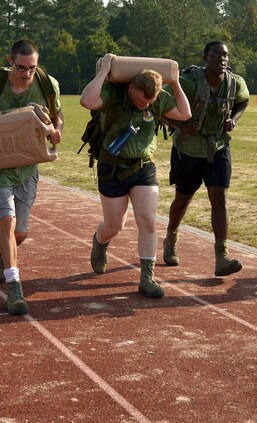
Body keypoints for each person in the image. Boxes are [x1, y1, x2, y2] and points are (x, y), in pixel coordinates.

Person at [0, 39, 63, 315]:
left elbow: (57, 116)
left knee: (20, 232)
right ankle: (14, 286)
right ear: (10, 61)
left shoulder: (46, 84)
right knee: (7, 221)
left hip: (28, 166)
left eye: (32, 67)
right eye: (21, 67)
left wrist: (56, 130)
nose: (27, 73)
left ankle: (4, 259)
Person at [80, 53, 191, 298]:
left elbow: (185, 114)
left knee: (148, 220)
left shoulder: (158, 99)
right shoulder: (114, 95)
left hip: (143, 167)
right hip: (113, 167)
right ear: (131, 88)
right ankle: (100, 242)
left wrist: (174, 82)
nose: (145, 105)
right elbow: (87, 101)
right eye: (141, 100)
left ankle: (146, 277)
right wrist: (103, 71)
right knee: (114, 225)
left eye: (149, 102)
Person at [161, 41, 250, 277]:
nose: (222, 59)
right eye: (216, 55)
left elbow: (243, 100)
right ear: (205, 58)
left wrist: (234, 118)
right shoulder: (190, 83)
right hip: (189, 149)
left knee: (219, 199)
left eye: (225, 56)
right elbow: (160, 106)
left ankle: (222, 256)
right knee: (183, 198)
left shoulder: (235, 83)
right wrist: (181, 124)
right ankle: (171, 237)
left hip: (218, 146)